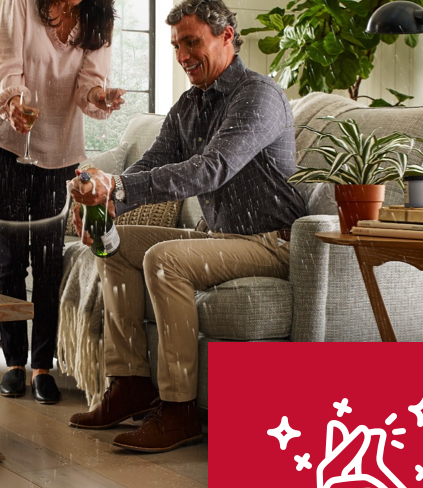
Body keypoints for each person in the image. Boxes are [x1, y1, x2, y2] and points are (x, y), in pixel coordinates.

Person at [66, 0, 307, 451]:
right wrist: (102, 196)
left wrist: (115, 187)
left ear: (227, 37)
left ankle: (179, 410)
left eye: (192, 42)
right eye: (177, 45)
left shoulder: (258, 96)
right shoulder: (189, 105)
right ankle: (130, 382)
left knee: (163, 259)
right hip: (220, 238)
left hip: (271, 242)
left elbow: (211, 168)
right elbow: (155, 162)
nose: (182, 56)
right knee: (112, 246)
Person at [0, 0, 124, 403]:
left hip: (59, 151)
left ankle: (43, 366)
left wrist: (101, 95)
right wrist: (14, 105)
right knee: (11, 257)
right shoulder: (21, 4)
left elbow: (87, 85)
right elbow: (9, 66)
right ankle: (14, 363)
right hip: (3, 144)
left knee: (47, 259)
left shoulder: (99, 17)